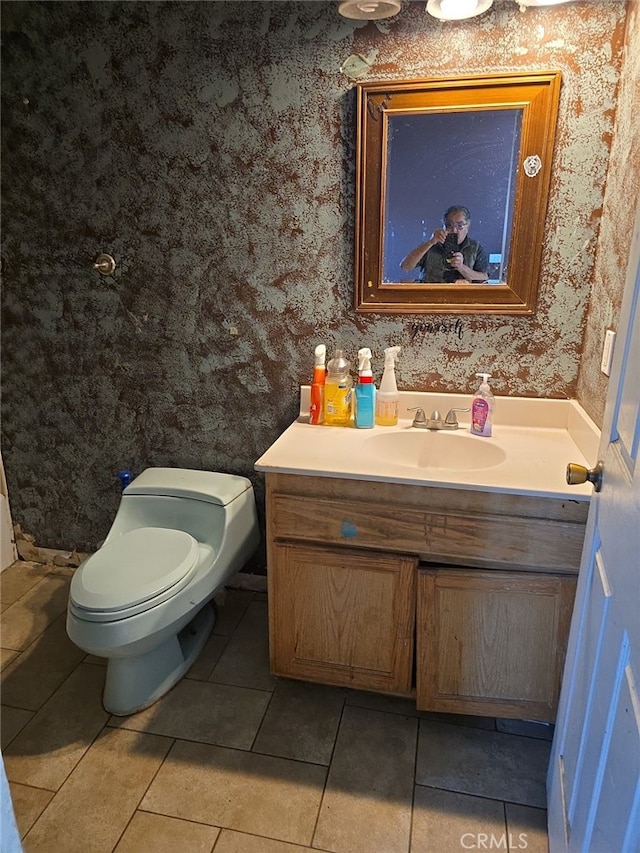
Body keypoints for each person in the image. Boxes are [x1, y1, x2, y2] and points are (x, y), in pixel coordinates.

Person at [400, 205, 489, 283]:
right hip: (431, 296)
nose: (454, 230)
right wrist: (430, 242)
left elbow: (484, 278)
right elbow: (405, 266)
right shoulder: (431, 245)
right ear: (443, 226)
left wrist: (461, 267)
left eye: (460, 225)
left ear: (468, 227)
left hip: (462, 298)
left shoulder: (475, 248)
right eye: (449, 225)